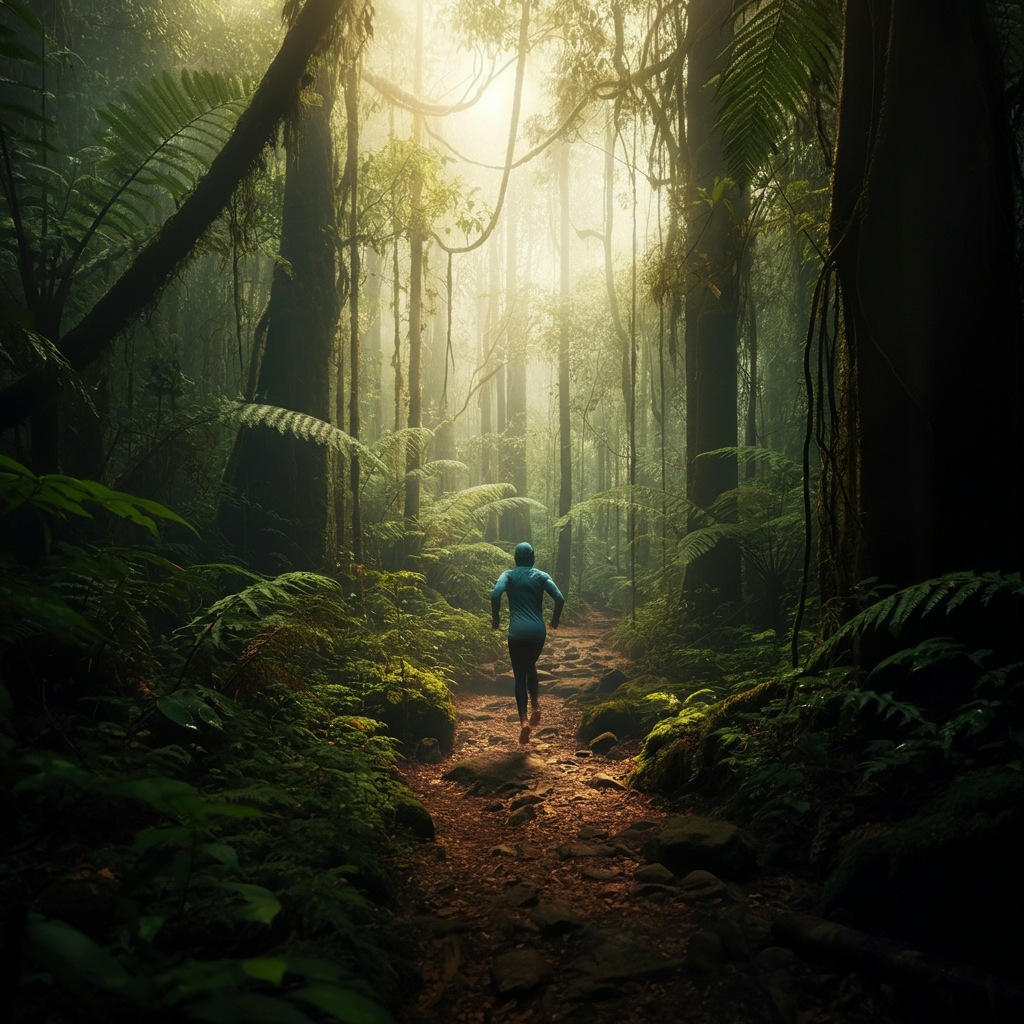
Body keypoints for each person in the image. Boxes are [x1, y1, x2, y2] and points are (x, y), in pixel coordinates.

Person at [491, 542, 565, 743]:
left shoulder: (508, 575)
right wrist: (555, 620)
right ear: (532, 558)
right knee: (530, 665)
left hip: (517, 634)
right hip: (537, 634)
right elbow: (559, 598)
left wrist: (496, 618)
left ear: (516, 558)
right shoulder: (541, 576)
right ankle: (536, 706)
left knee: (519, 676)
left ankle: (524, 721)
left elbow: (495, 594)